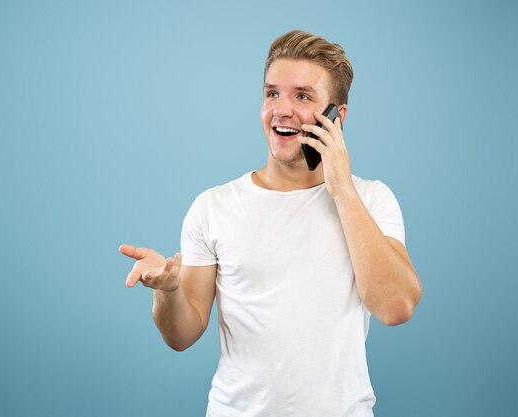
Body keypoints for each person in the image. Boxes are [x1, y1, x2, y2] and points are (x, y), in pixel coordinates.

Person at [119, 30, 422, 417]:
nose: (282, 109)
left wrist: (342, 189)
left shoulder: (372, 200)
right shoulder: (213, 207)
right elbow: (182, 335)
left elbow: (396, 307)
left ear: (337, 117)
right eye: (272, 93)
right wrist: (167, 290)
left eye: (303, 96)